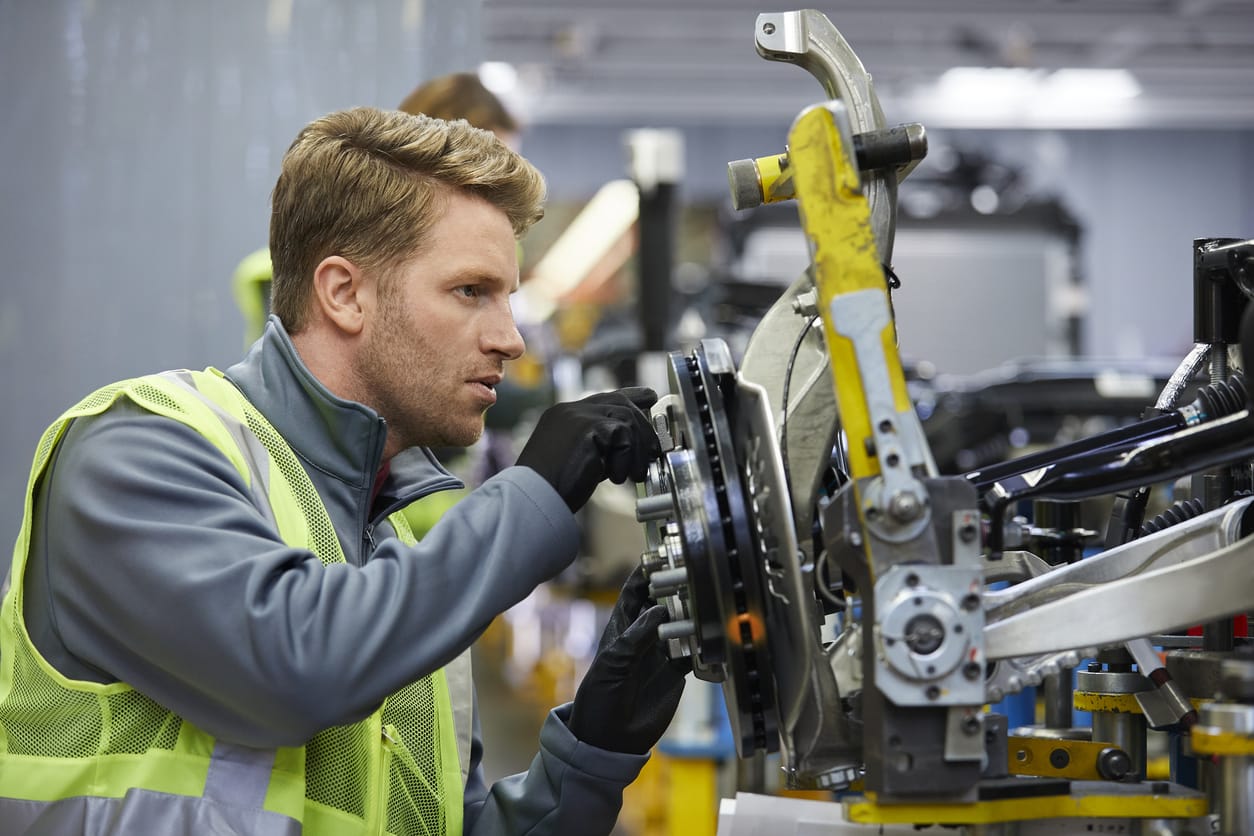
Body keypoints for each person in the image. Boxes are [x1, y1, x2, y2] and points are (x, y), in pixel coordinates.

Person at [0, 107, 687, 835]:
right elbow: (293, 666)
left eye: (508, 297)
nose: (510, 338)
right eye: (470, 292)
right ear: (343, 293)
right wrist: (536, 492)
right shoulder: (133, 454)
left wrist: (595, 746)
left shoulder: (398, 578)